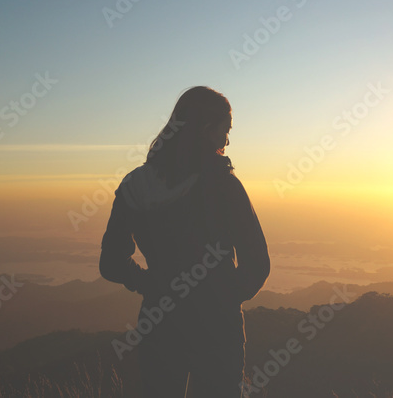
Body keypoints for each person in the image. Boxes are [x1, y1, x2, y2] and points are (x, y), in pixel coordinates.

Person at [99, 86, 270, 397]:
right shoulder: (223, 184)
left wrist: (151, 285)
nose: (228, 140)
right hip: (217, 329)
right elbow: (257, 263)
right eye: (225, 129)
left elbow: (111, 262)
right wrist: (223, 298)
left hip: (159, 322)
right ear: (207, 130)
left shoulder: (135, 185)